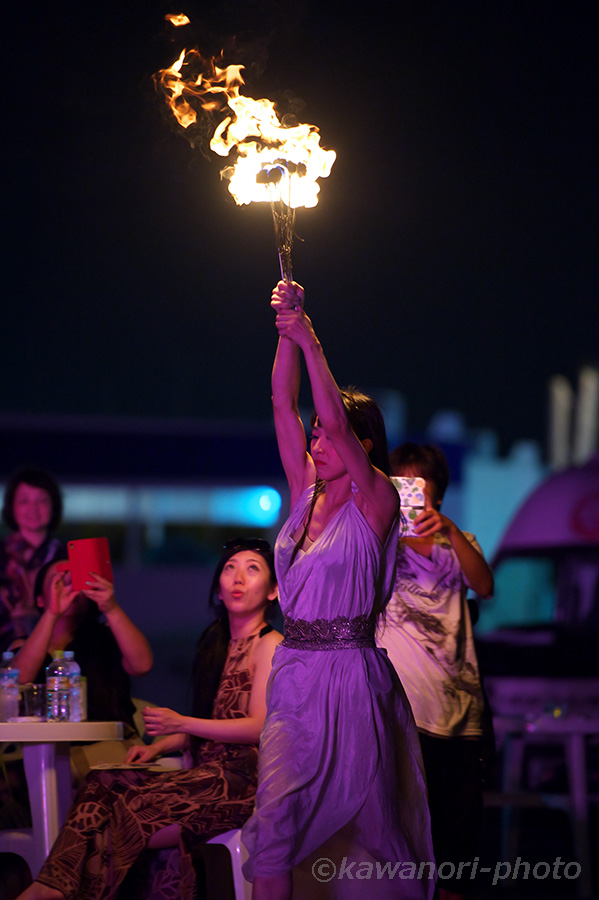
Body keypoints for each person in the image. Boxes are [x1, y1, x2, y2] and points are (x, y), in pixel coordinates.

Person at [241, 281, 434, 900]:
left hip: (352, 677)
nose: (315, 441)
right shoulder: (305, 489)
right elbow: (280, 402)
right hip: (295, 676)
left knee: (375, 838)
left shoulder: (378, 501)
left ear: (363, 446)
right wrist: (284, 331)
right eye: (315, 436)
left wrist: (311, 336)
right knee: (270, 827)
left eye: (327, 436)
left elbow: (327, 416)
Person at [16, 537, 282, 900]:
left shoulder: (270, 643)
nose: (238, 578)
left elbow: (258, 727)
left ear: (273, 591)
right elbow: (216, 721)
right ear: (218, 589)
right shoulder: (217, 642)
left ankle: (57, 892)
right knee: (103, 780)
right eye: (230, 569)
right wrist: (162, 745)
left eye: (252, 570)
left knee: (125, 812)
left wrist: (182, 723)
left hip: (238, 784)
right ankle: (50, 885)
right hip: (205, 773)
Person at [377, 443, 494, 900]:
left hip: (461, 720)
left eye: (417, 489)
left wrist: (448, 531)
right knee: (400, 848)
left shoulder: (458, 542)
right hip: (404, 717)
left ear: (438, 497)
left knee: (456, 853)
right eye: (399, 486)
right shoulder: (382, 546)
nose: (409, 498)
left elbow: (484, 585)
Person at [14, 559, 154, 773]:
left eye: (77, 582)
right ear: (41, 600)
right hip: (44, 753)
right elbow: (18, 681)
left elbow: (142, 665)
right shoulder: (23, 646)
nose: (70, 589)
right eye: (60, 582)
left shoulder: (107, 636)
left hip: (112, 748)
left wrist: (111, 607)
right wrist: (53, 613)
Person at [0, 467, 65, 653]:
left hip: (56, 654)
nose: (33, 509)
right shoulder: (2, 556)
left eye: (42, 500)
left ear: (54, 505)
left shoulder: (66, 557)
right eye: (24, 501)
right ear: (11, 506)